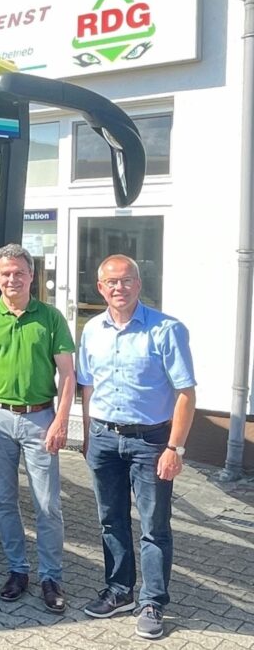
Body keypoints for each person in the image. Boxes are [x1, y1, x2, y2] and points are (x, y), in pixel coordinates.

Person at [78, 255, 196, 641]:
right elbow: (88, 385)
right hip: (104, 439)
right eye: (111, 282)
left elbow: (185, 393)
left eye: (126, 281)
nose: (119, 288)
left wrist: (174, 448)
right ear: (100, 288)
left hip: (151, 443)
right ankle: (119, 590)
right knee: (110, 520)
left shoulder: (166, 330)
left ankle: (153, 601)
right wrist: (88, 434)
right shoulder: (92, 330)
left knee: (153, 526)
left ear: (138, 284)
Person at [0, 243, 74, 614]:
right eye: (5, 273)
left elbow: (69, 373)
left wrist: (61, 420)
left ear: (32, 275)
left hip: (41, 418)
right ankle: (17, 570)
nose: (12, 279)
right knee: (6, 501)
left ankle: (51, 576)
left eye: (19, 272)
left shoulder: (50, 317)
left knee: (47, 504)